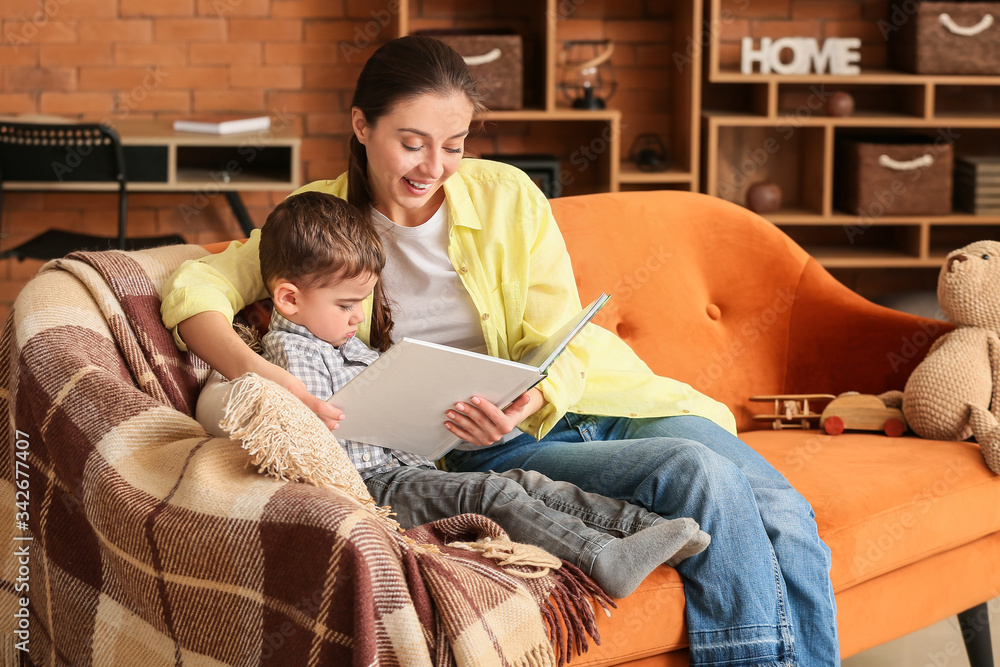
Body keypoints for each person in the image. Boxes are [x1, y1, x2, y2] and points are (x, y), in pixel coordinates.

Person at [161, 35, 839, 666]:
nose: (435, 167)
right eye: (412, 143)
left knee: (786, 511)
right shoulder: (315, 221)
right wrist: (263, 374)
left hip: (599, 401)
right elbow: (197, 285)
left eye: (453, 145)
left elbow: (562, 338)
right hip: (489, 445)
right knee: (707, 478)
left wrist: (532, 396)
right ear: (362, 126)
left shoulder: (508, 195)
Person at [247, 189, 709, 599]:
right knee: (491, 492)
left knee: (525, 483)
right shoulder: (291, 353)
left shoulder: (341, 342)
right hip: (376, 488)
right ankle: (602, 558)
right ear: (289, 299)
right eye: (346, 306)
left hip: (407, 471)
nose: (355, 318)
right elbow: (319, 442)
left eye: (360, 304)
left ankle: (646, 530)